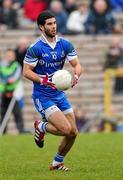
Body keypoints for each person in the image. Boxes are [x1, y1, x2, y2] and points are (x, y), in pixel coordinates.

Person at [23, 11, 82, 171]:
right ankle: (40, 126)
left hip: (59, 94)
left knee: (73, 132)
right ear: (41, 27)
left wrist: (76, 74)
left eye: (54, 23)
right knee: (65, 129)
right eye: (49, 24)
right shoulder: (35, 48)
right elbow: (26, 71)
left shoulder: (65, 44)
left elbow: (76, 64)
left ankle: (57, 163)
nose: (53, 26)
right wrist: (43, 79)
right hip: (42, 96)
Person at [0, 49, 25, 134]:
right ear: (6, 56)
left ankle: (21, 130)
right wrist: (7, 80)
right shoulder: (1, 66)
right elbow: (2, 79)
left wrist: (6, 79)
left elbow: (14, 79)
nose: (10, 57)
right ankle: (3, 131)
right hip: (4, 92)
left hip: (13, 93)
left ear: (14, 56)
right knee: (3, 113)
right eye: (8, 55)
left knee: (17, 113)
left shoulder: (17, 66)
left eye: (11, 55)